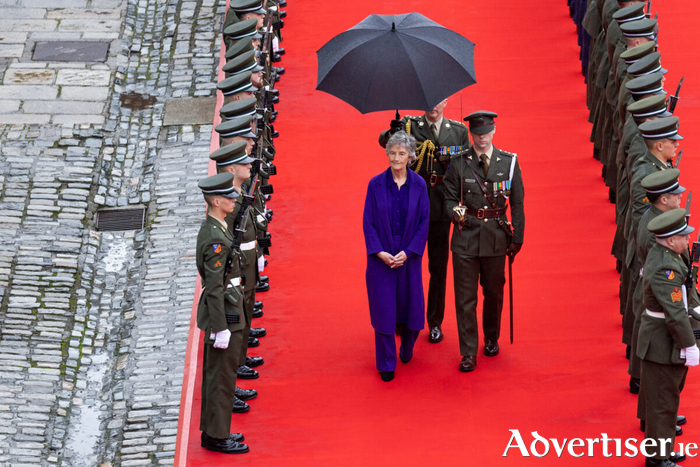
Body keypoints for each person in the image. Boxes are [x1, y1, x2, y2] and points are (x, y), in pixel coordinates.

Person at [378, 99, 469, 344]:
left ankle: (435, 322)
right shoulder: (409, 125)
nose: (434, 106)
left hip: (441, 206)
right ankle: (401, 318)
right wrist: (392, 131)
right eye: (430, 100)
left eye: (439, 100)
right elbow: (383, 142)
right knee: (404, 264)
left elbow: (466, 171)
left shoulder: (459, 131)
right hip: (411, 206)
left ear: (447, 101)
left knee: (437, 268)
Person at [444, 111, 525, 372]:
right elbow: (448, 198)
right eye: (477, 134)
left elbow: (518, 204)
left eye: (486, 133)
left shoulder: (509, 162)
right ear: (471, 134)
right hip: (465, 238)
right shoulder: (458, 163)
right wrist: (453, 212)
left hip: (495, 238)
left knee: (494, 293)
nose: (481, 139)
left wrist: (518, 238)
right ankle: (468, 351)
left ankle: (491, 336)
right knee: (464, 299)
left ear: (494, 131)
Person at [363, 131, 430, 382]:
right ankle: (386, 363)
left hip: (409, 256)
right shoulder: (375, 184)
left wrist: (410, 251)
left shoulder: (420, 185)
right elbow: (368, 222)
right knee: (383, 310)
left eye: (402, 153)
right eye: (392, 153)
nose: (396, 157)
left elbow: (424, 221)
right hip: (381, 257)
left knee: (411, 307)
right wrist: (379, 252)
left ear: (411, 156)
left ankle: (408, 347)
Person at [637, 209, 699, 466]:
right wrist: (690, 344)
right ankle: (657, 459)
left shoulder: (668, 256)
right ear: (671, 240)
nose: (687, 241)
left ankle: (663, 448)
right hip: (663, 342)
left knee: (667, 398)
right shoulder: (666, 267)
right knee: (663, 402)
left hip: (663, 339)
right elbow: (674, 314)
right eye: (683, 237)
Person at [195, 172, 249, 454]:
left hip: (227, 308)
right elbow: (214, 287)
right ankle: (217, 435)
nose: (233, 199)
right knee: (221, 377)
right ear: (216, 201)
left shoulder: (217, 227)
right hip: (223, 313)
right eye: (228, 196)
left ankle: (215, 430)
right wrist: (220, 327)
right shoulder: (216, 238)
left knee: (220, 375)